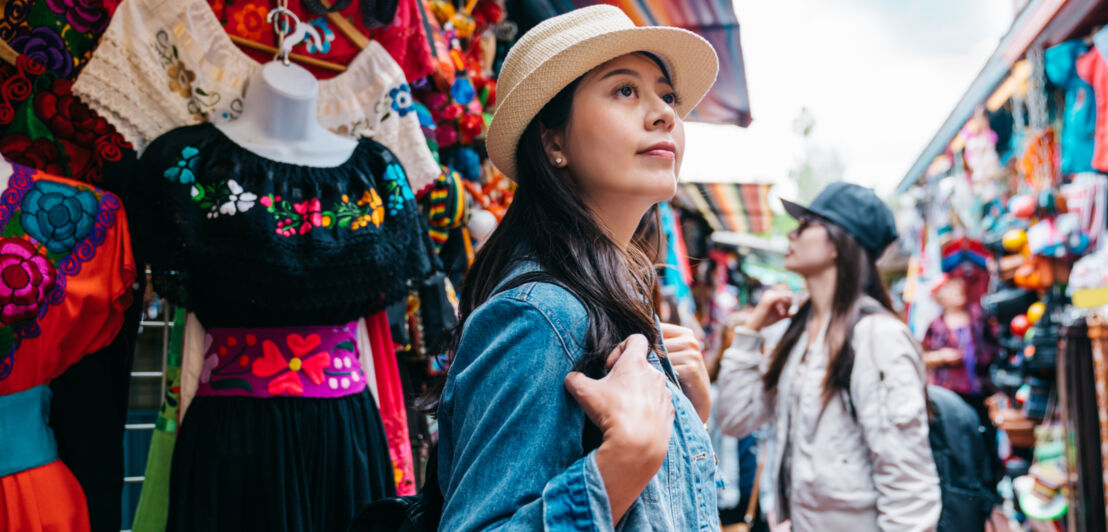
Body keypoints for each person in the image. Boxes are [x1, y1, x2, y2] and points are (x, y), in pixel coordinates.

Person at [432, 5, 720, 530]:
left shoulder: (612, 295)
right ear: (553, 140)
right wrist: (620, 466)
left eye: (667, 95)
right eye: (625, 90)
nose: (664, 115)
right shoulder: (539, 316)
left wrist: (684, 417)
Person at [716, 182, 942, 531]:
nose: (792, 235)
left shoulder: (877, 338)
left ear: (838, 241)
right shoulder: (797, 335)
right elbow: (735, 418)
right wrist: (751, 331)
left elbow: (910, 492)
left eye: (806, 225)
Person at [922, 274, 997, 417]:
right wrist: (941, 357)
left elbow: (997, 345)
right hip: (952, 392)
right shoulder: (936, 326)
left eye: (958, 287)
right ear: (940, 298)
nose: (957, 291)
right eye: (951, 289)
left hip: (984, 388)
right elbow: (923, 358)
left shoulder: (978, 315)